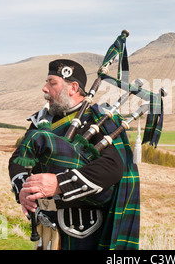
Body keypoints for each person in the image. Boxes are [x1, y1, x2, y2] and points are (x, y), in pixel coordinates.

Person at [8, 59, 140, 250]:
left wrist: (59, 184)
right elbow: (19, 158)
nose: (45, 89)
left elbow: (112, 167)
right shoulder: (42, 121)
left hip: (82, 229)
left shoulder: (97, 119)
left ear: (73, 87)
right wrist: (23, 190)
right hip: (45, 226)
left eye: (52, 83)